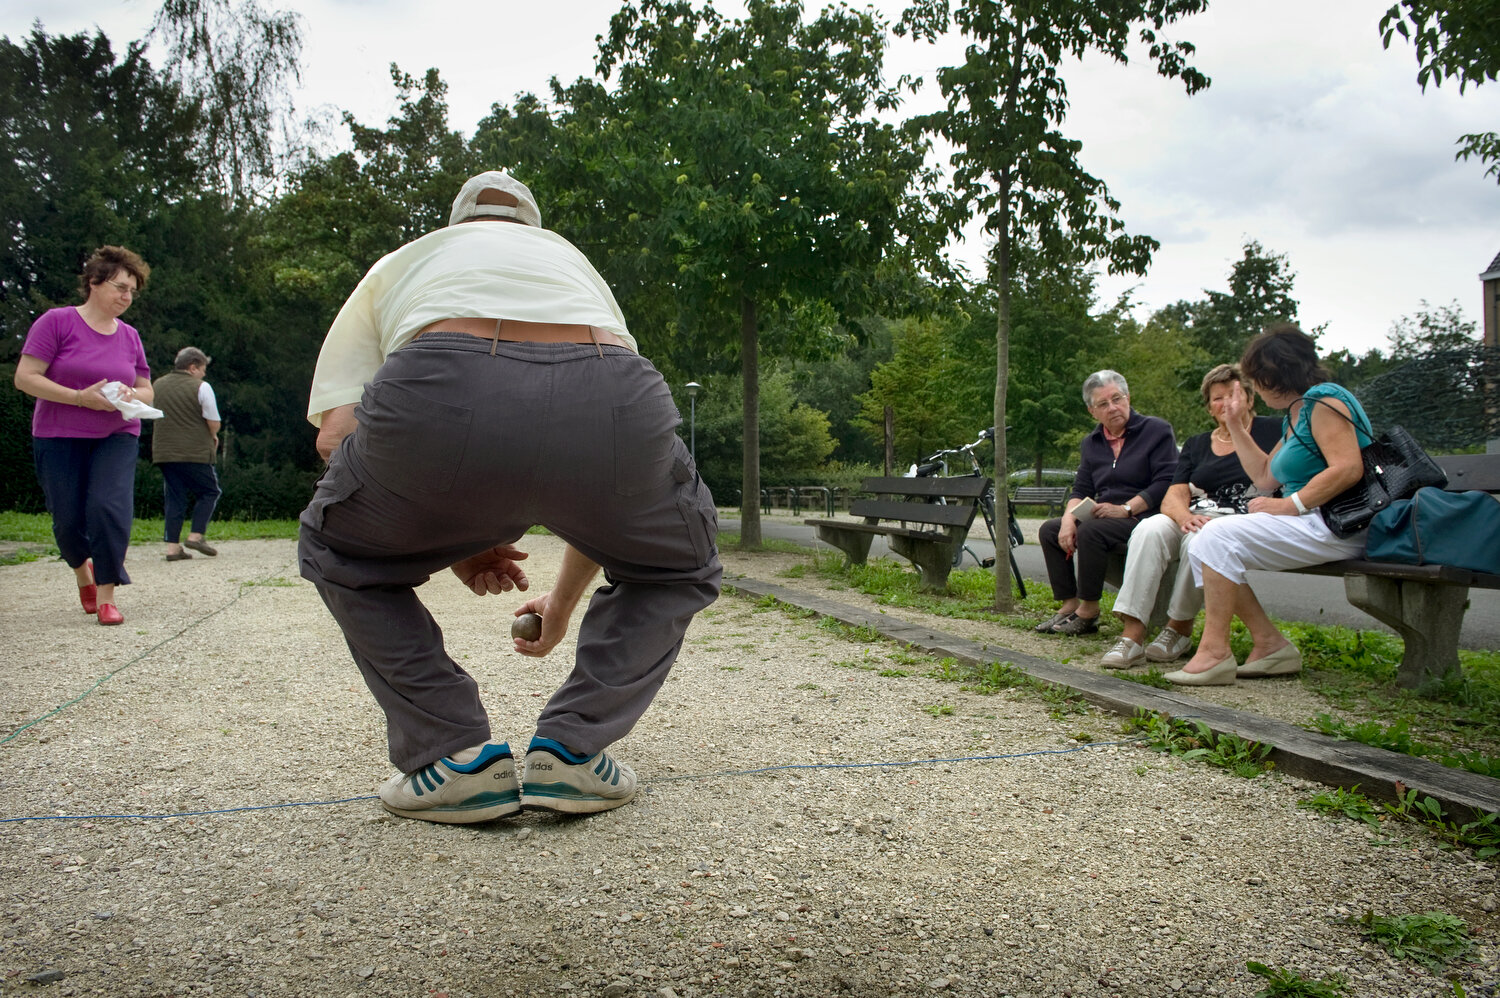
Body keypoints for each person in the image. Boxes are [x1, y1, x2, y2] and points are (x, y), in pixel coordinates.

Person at [298, 170, 722, 825]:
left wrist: (453, 532)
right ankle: (575, 753)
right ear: (534, 225)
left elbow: (336, 437)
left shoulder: (409, 261)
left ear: (456, 224)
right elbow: (601, 493)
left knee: (339, 553)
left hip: (440, 384)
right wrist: (560, 601)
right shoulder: (571, 264)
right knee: (676, 566)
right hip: (611, 388)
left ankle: (453, 756)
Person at [1166, 324, 1370, 686]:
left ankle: (1215, 653)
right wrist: (1235, 425)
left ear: (1277, 375)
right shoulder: (1299, 411)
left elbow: (1348, 468)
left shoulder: (1326, 401)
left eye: (1257, 380)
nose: (1254, 389)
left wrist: (1290, 505)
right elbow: (1264, 476)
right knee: (1204, 542)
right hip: (1315, 520)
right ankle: (1270, 644)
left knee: (1213, 538)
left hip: (1340, 521)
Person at [1099, 364, 1283, 668]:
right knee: (1151, 528)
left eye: (1233, 395)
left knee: (1200, 539)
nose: (1226, 404)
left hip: (1245, 517)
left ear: (1250, 399)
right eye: (1217, 398)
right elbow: (1175, 492)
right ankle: (1132, 635)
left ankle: (1178, 629)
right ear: (1209, 408)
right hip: (1199, 512)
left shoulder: (1274, 431)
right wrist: (1183, 516)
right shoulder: (1198, 444)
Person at [14, 246, 153, 626]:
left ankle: (107, 594)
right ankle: (83, 573)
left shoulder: (130, 336)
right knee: (67, 518)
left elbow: (147, 390)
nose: (126, 297)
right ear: (94, 282)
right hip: (58, 433)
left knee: (109, 507)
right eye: (120, 287)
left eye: (132, 291)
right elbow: (25, 378)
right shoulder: (56, 322)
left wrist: (130, 395)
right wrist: (79, 398)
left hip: (117, 432)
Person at [1034, 370, 1177, 635]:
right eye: (1103, 404)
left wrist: (1126, 509)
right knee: (1051, 530)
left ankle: (1089, 611)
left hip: (1145, 516)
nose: (1113, 408)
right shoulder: (1092, 443)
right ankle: (1069, 605)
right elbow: (1083, 488)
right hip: (1105, 516)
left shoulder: (1156, 431)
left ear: (1128, 398)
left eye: (1117, 399)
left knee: (1090, 530)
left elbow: (1166, 481)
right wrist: (1068, 521)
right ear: (1092, 411)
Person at [152, 347, 222, 560]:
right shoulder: (201, 387)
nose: (204, 373)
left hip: (163, 451)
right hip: (194, 451)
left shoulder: (157, 384)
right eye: (202, 369)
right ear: (193, 367)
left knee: (175, 497)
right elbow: (213, 421)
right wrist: (214, 436)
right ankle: (195, 535)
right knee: (209, 491)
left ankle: (172, 548)